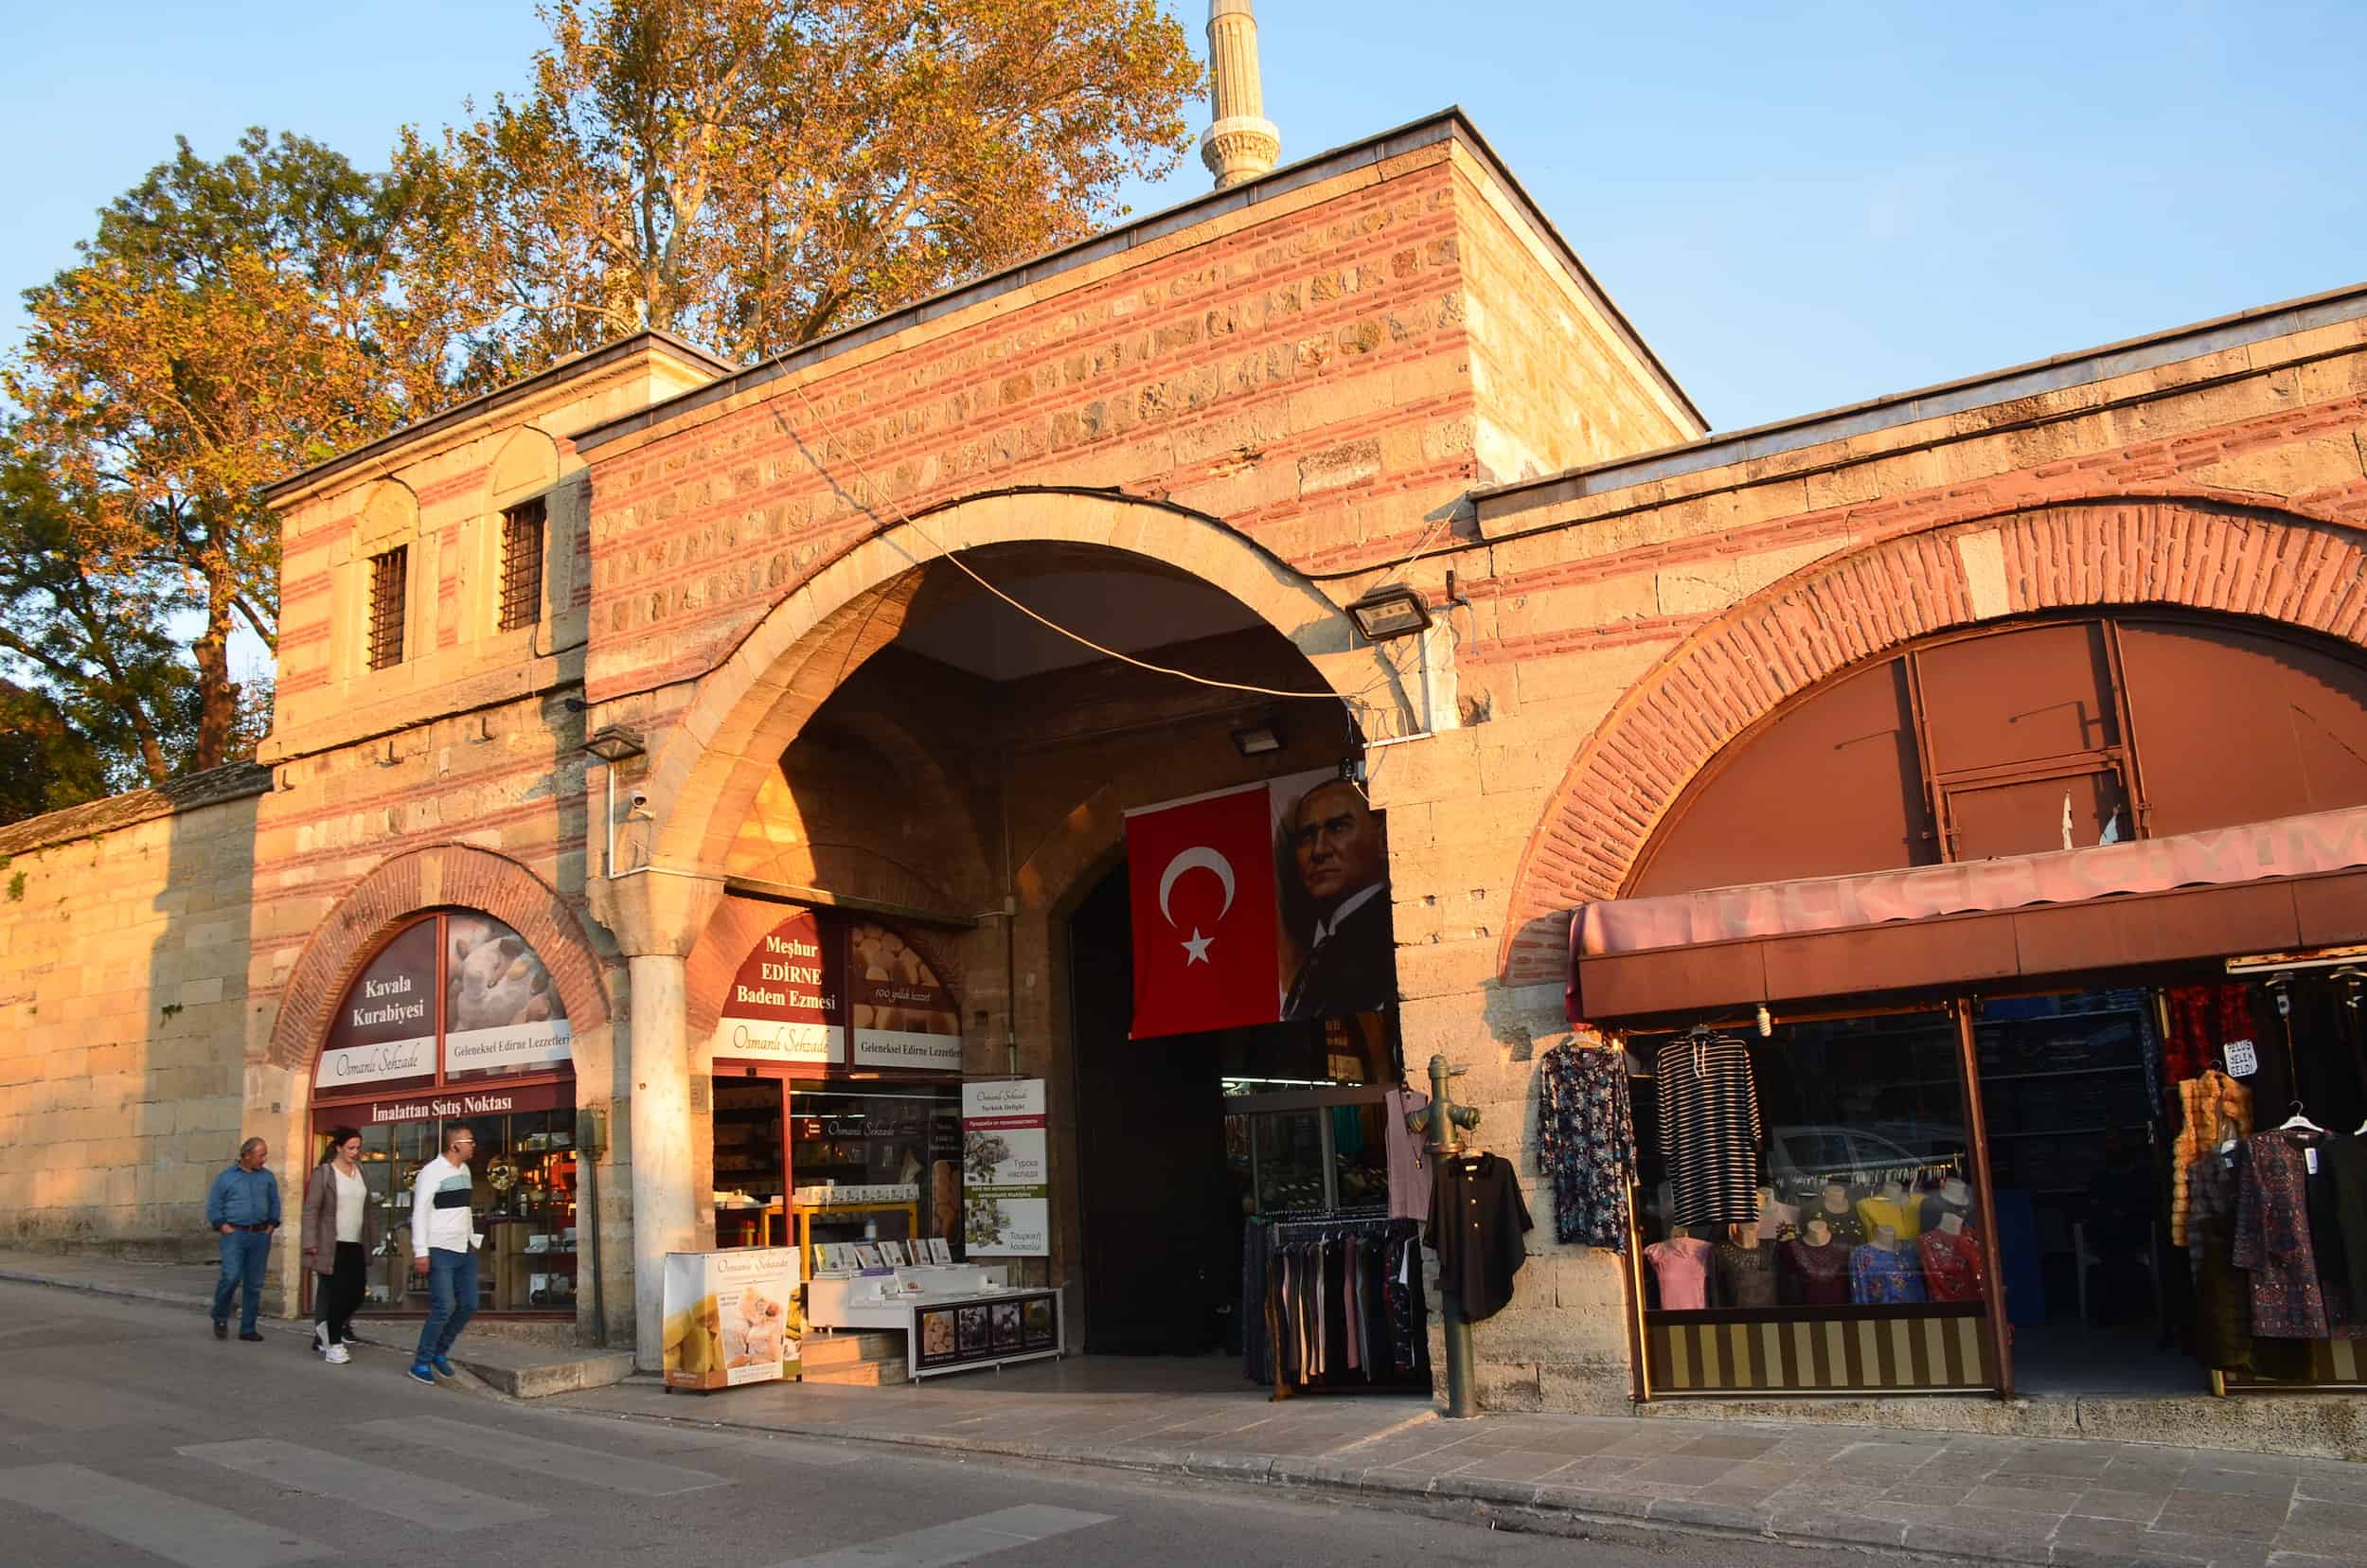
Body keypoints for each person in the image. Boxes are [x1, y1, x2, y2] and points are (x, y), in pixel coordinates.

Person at [1280, 779, 1394, 1021]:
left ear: (1383, 838)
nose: (1319, 850)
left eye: (1338, 828)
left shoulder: (1390, 935)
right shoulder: (1324, 951)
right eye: (1306, 838)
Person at [409, 1124, 482, 1385]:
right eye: (469, 1141)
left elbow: (464, 1209)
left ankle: (439, 1351)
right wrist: (421, 1252)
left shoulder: (465, 1170)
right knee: (444, 1307)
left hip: (463, 1248)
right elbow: (419, 1212)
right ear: (455, 1145)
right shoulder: (431, 1173)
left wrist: (472, 1238)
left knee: (470, 1304)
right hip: (439, 1248)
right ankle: (421, 1362)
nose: (473, 1146)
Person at [301, 1126, 379, 1364]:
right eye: (350, 1148)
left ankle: (326, 1328)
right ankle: (334, 1344)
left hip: (355, 1242)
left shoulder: (361, 1172)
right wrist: (310, 1241)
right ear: (338, 1148)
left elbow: (367, 1209)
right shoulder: (324, 1173)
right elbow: (311, 1210)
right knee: (336, 1294)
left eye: (358, 1148)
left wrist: (372, 1239)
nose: (355, 1152)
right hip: (331, 1243)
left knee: (356, 1294)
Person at [205, 1137, 281, 1342]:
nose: (264, 1159)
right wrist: (222, 1225)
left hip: (260, 1235)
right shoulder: (226, 1178)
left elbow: (275, 1202)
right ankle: (220, 1316)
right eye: (260, 1155)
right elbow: (214, 1205)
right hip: (235, 1235)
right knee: (231, 1276)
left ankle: (248, 1328)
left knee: (254, 1284)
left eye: (265, 1154)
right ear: (247, 1155)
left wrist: (271, 1225)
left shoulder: (267, 1178)